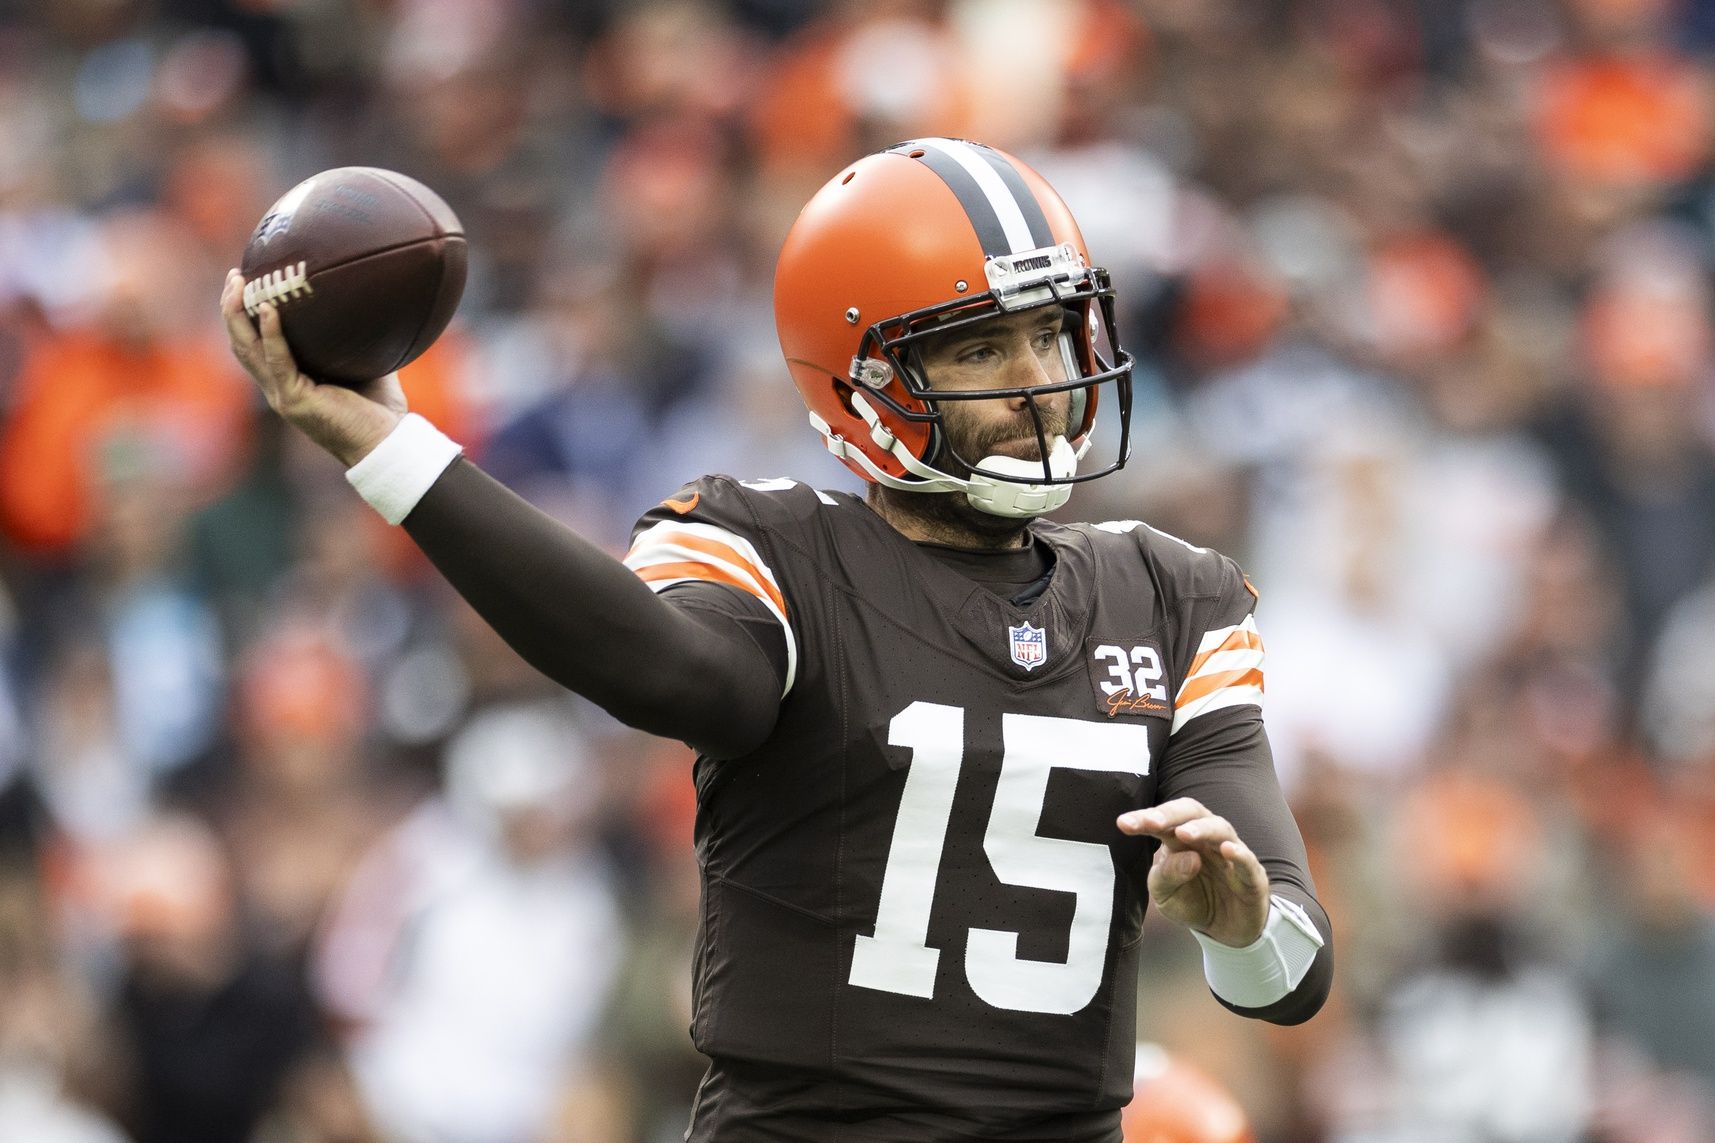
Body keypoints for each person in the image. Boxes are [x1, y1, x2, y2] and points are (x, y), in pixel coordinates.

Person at [221, 137, 1332, 1143]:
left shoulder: (1171, 595)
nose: (1039, 384)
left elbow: (1291, 974)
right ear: (864, 384)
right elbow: (669, 671)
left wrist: (1236, 923)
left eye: (1047, 333)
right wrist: (395, 450)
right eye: (981, 351)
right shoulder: (772, 547)